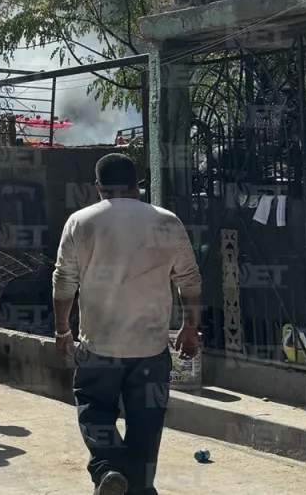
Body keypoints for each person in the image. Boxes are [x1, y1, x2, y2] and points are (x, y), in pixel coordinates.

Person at [52, 153, 202, 495]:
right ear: (138, 185)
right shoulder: (168, 221)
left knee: (94, 408)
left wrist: (63, 330)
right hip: (150, 348)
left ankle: (107, 468)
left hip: (99, 346)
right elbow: (189, 281)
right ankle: (140, 488)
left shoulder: (80, 222)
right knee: (147, 424)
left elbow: (63, 286)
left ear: (98, 187)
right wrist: (190, 326)